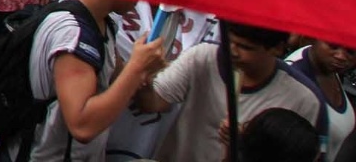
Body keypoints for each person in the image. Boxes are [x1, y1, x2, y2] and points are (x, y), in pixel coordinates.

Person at [0, 0, 167, 162]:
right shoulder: (72, 33)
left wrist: (144, 71)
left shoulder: (104, 23)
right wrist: (136, 68)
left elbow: (132, 90)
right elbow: (82, 126)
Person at [136, 23, 322, 162]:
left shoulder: (303, 99)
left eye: (245, 47)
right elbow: (153, 103)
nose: (232, 51)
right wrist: (143, 78)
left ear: (277, 49)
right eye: (230, 41)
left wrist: (245, 143)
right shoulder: (203, 57)